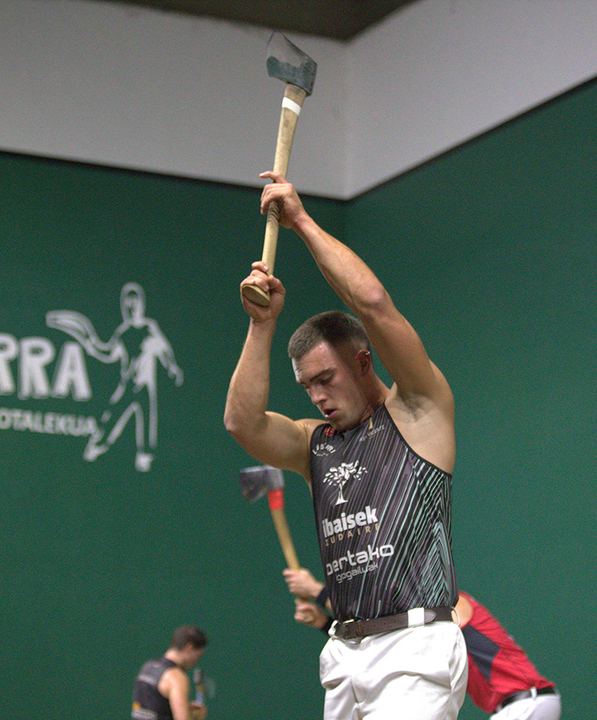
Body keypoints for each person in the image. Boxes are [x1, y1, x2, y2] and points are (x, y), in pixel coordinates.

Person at [224, 171, 467, 720]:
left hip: (415, 648)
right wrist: (261, 325)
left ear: (362, 362)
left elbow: (374, 303)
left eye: (325, 379)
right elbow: (242, 423)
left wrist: (301, 222)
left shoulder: (418, 409)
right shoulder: (315, 444)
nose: (317, 397)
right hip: (343, 656)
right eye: (306, 386)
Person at [286, 569, 561, 720]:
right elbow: (378, 646)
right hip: (518, 709)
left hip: (527, 705)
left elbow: (380, 623)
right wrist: (324, 622)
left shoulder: (451, 606)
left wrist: (317, 590)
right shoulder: (420, 631)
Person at [131, 625, 208, 720]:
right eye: (197, 656)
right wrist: (196, 717)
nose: (195, 662)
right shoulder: (176, 677)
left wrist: (185, 710)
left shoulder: (147, 667)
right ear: (189, 648)